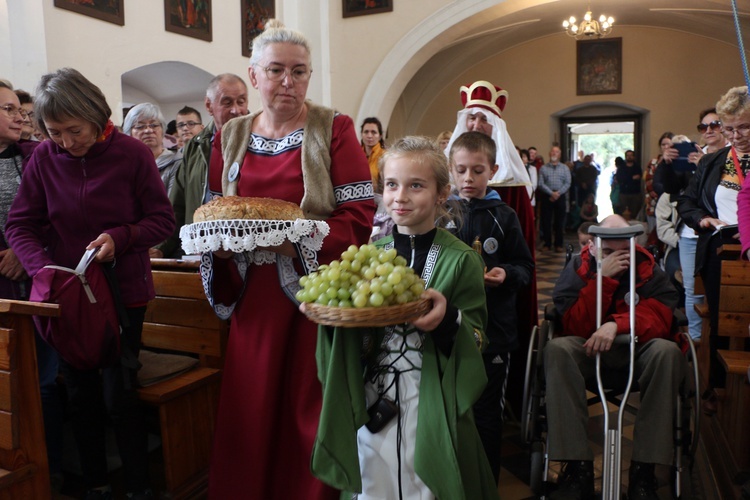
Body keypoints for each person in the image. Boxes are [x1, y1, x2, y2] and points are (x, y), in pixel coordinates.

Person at [201, 20, 374, 499]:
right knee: (251, 407)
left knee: (307, 409)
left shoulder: (333, 128)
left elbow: (359, 215)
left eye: (299, 72)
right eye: (275, 70)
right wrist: (216, 242)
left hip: (313, 299)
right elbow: (215, 209)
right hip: (253, 301)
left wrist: (291, 242)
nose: (287, 82)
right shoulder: (230, 135)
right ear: (254, 77)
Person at [6, 68, 175, 500]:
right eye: (54, 132)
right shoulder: (44, 158)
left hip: (123, 292)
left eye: (74, 130)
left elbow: (161, 221)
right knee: (79, 394)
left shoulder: (132, 154)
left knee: (119, 392)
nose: (66, 142)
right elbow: (22, 225)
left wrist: (120, 238)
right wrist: (42, 268)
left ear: (96, 116)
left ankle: (138, 487)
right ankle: (96, 484)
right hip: (67, 295)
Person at [311, 135, 498, 499]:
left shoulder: (461, 260)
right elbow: (358, 334)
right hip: (373, 397)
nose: (401, 196)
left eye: (416, 185)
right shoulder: (368, 256)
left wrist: (447, 320)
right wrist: (338, 324)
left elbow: (477, 338)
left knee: (422, 484)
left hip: (429, 397)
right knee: (373, 481)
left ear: (442, 193)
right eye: (392, 185)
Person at [545, 215, 684, 500]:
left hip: (636, 351)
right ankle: (576, 469)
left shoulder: (648, 269)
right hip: (587, 349)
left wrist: (616, 324)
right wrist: (603, 280)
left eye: (623, 252)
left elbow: (661, 317)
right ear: (594, 247)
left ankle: (644, 472)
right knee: (557, 350)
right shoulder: (577, 267)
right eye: (607, 252)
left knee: (667, 351)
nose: (617, 259)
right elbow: (572, 325)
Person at [448, 131, 534, 484]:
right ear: (451, 171)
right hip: (450, 329)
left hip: (494, 332)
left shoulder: (504, 215)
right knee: (452, 407)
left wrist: (506, 274)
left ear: (494, 170)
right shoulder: (442, 214)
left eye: (478, 170)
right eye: (462, 170)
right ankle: (454, 480)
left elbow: (525, 266)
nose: (469, 179)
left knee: (486, 412)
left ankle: (485, 482)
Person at [0, 81, 65, 491]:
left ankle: (49, 471)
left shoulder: (36, 156)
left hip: (34, 280)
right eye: (8, 109)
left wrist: (26, 254)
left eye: (18, 110)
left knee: (42, 382)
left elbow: (56, 214)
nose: (19, 116)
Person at [677, 86, 750, 413]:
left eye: (744, 127)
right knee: (724, 321)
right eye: (729, 128)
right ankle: (719, 389)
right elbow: (686, 202)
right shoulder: (713, 161)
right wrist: (702, 219)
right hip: (721, 249)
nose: (736, 135)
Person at [151, 73, 249, 259]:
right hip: (201, 251)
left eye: (241, 102)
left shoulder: (261, 141)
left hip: (246, 250)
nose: (237, 110)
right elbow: (178, 205)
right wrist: (162, 247)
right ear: (209, 106)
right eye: (227, 103)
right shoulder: (195, 147)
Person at [443, 80, 532, 196]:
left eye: (484, 119)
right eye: (472, 118)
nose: (476, 125)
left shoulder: (510, 173)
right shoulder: (445, 166)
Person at [123, 102, 182, 197]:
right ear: (129, 132)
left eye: (154, 125)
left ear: (163, 130)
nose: (148, 130)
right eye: (140, 126)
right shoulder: (123, 165)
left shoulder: (177, 163)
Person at [538, 145, 572, 252]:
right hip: (547, 196)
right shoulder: (543, 168)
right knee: (546, 221)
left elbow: (568, 183)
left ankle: (558, 244)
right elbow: (540, 183)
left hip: (560, 196)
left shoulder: (565, 168)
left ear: (560, 155)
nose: (554, 153)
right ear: (549, 153)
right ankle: (547, 244)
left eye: (556, 152)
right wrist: (551, 193)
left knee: (559, 222)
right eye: (552, 151)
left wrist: (557, 193)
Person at [614, 149, 642, 217]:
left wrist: (627, 178)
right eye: (628, 155)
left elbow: (639, 177)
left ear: (634, 157)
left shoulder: (637, 167)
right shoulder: (621, 168)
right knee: (623, 213)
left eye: (631, 155)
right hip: (624, 194)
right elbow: (619, 179)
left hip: (635, 194)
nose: (629, 157)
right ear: (626, 157)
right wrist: (632, 178)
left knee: (634, 213)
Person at [360, 116, 386, 190]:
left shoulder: (385, 157)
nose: (369, 136)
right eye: (366, 132)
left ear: (380, 136)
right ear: (361, 134)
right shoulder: (355, 155)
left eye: (373, 132)